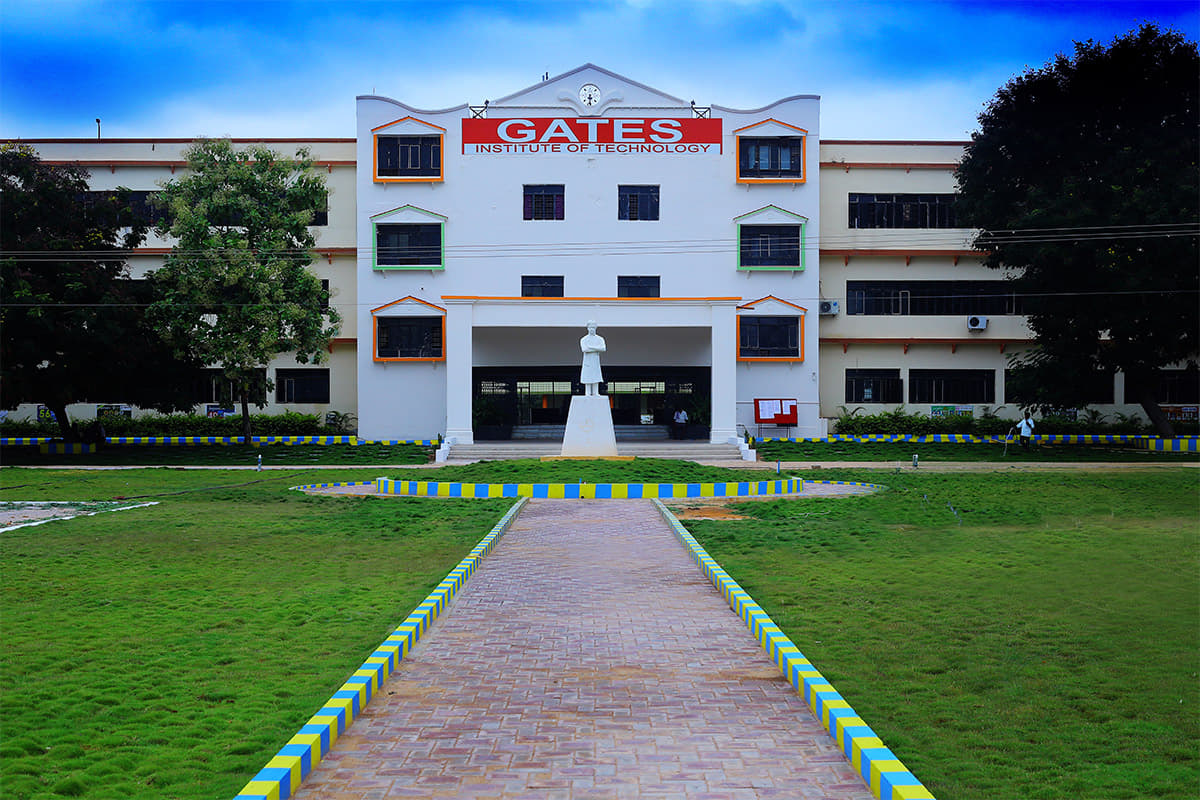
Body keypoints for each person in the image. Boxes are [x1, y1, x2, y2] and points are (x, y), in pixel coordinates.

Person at [579, 320, 606, 396]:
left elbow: (603, 348)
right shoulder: (584, 339)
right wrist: (596, 348)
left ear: (596, 328)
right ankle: (587, 392)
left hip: (595, 361)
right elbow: (584, 349)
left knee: (596, 375)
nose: (592, 329)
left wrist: (591, 347)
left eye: (593, 327)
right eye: (590, 327)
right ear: (587, 328)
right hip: (587, 361)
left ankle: (595, 392)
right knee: (588, 376)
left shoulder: (600, 339)